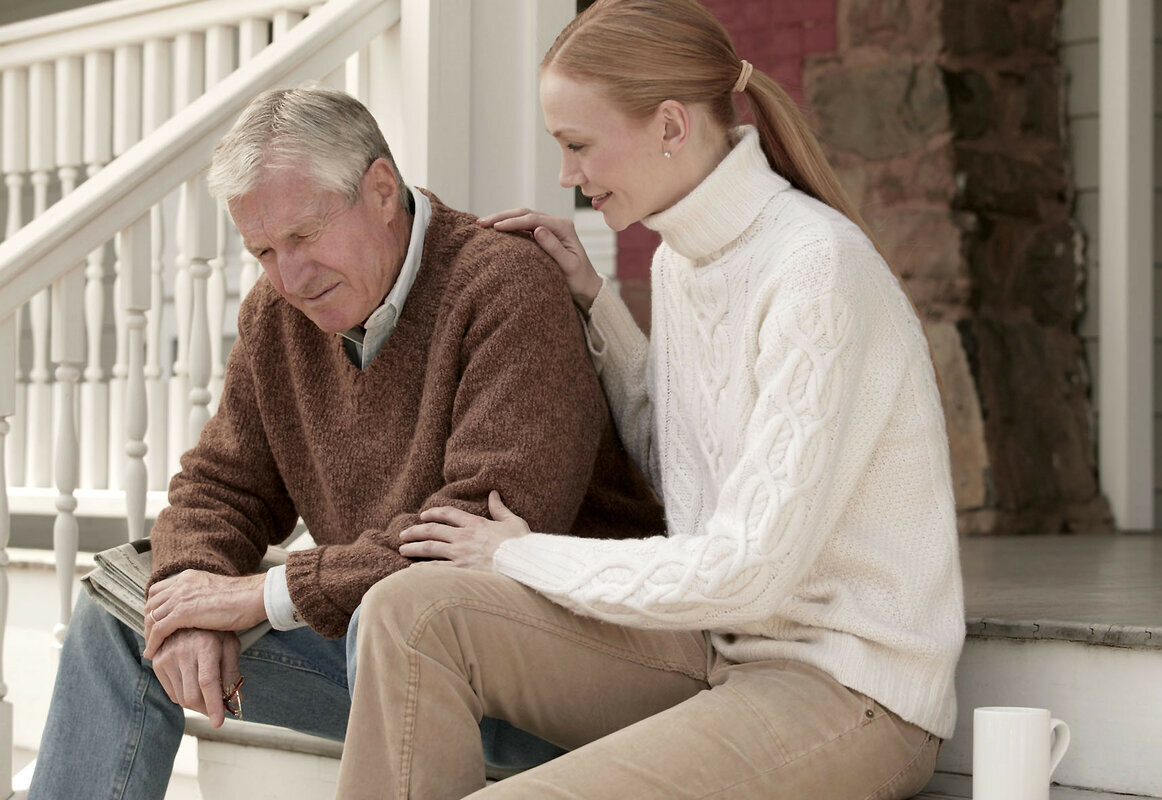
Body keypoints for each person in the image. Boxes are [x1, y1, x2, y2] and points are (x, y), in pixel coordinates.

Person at [335, 0, 966, 798]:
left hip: (848, 692)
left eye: (578, 145)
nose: (567, 175)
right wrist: (598, 305)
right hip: (712, 646)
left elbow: (747, 570)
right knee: (409, 613)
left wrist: (518, 553)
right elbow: (688, 469)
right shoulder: (682, 262)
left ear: (671, 124)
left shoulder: (814, 268)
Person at [27, 86, 664, 799]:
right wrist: (189, 598)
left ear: (382, 191)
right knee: (122, 609)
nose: (288, 276)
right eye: (263, 249)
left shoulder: (505, 285)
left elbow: (476, 533)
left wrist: (268, 594)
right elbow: (220, 485)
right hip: (382, 652)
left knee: (395, 615)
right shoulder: (278, 315)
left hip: (554, 674)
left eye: (303, 236)